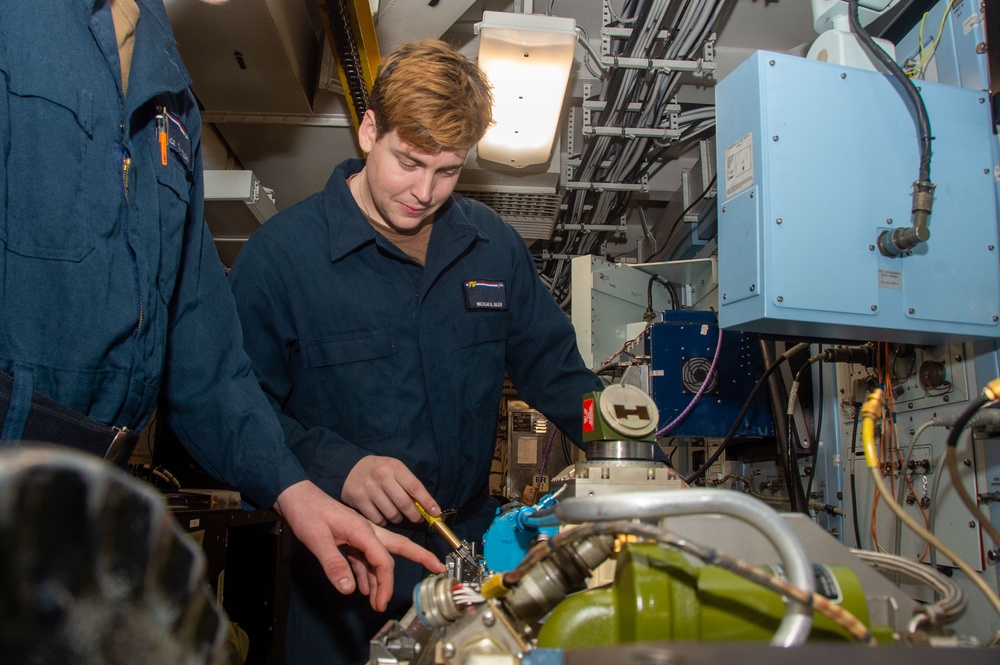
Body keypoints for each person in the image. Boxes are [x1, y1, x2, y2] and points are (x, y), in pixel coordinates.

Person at [0, 0, 442, 621]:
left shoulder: (169, 93)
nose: (425, 190)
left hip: (77, 513)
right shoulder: (22, 26)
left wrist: (291, 488)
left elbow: (204, 358)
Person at [228, 39, 605, 665]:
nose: (424, 191)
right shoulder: (280, 259)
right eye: (408, 162)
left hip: (467, 550)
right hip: (345, 564)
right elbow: (239, 411)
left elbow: (562, 378)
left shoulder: (493, 249)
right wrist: (338, 467)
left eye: (447, 171)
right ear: (368, 131)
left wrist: (633, 454)